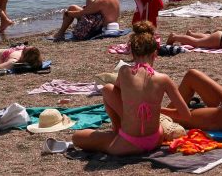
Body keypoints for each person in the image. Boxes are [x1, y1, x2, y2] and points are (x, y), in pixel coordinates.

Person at [74, 22, 191, 155]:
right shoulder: (164, 79)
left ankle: (117, 129)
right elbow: (186, 115)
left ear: (132, 54)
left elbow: (115, 91)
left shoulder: (124, 71)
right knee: (108, 89)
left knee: (77, 137)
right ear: (155, 54)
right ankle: (120, 130)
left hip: (129, 143)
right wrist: (157, 109)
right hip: (155, 139)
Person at [53, 0, 121, 41]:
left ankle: (60, 33)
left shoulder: (101, 0)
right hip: (111, 22)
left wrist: (68, 13)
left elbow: (81, 14)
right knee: (88, 0)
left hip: (101, 28)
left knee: (72, 8)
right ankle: (61, 33)